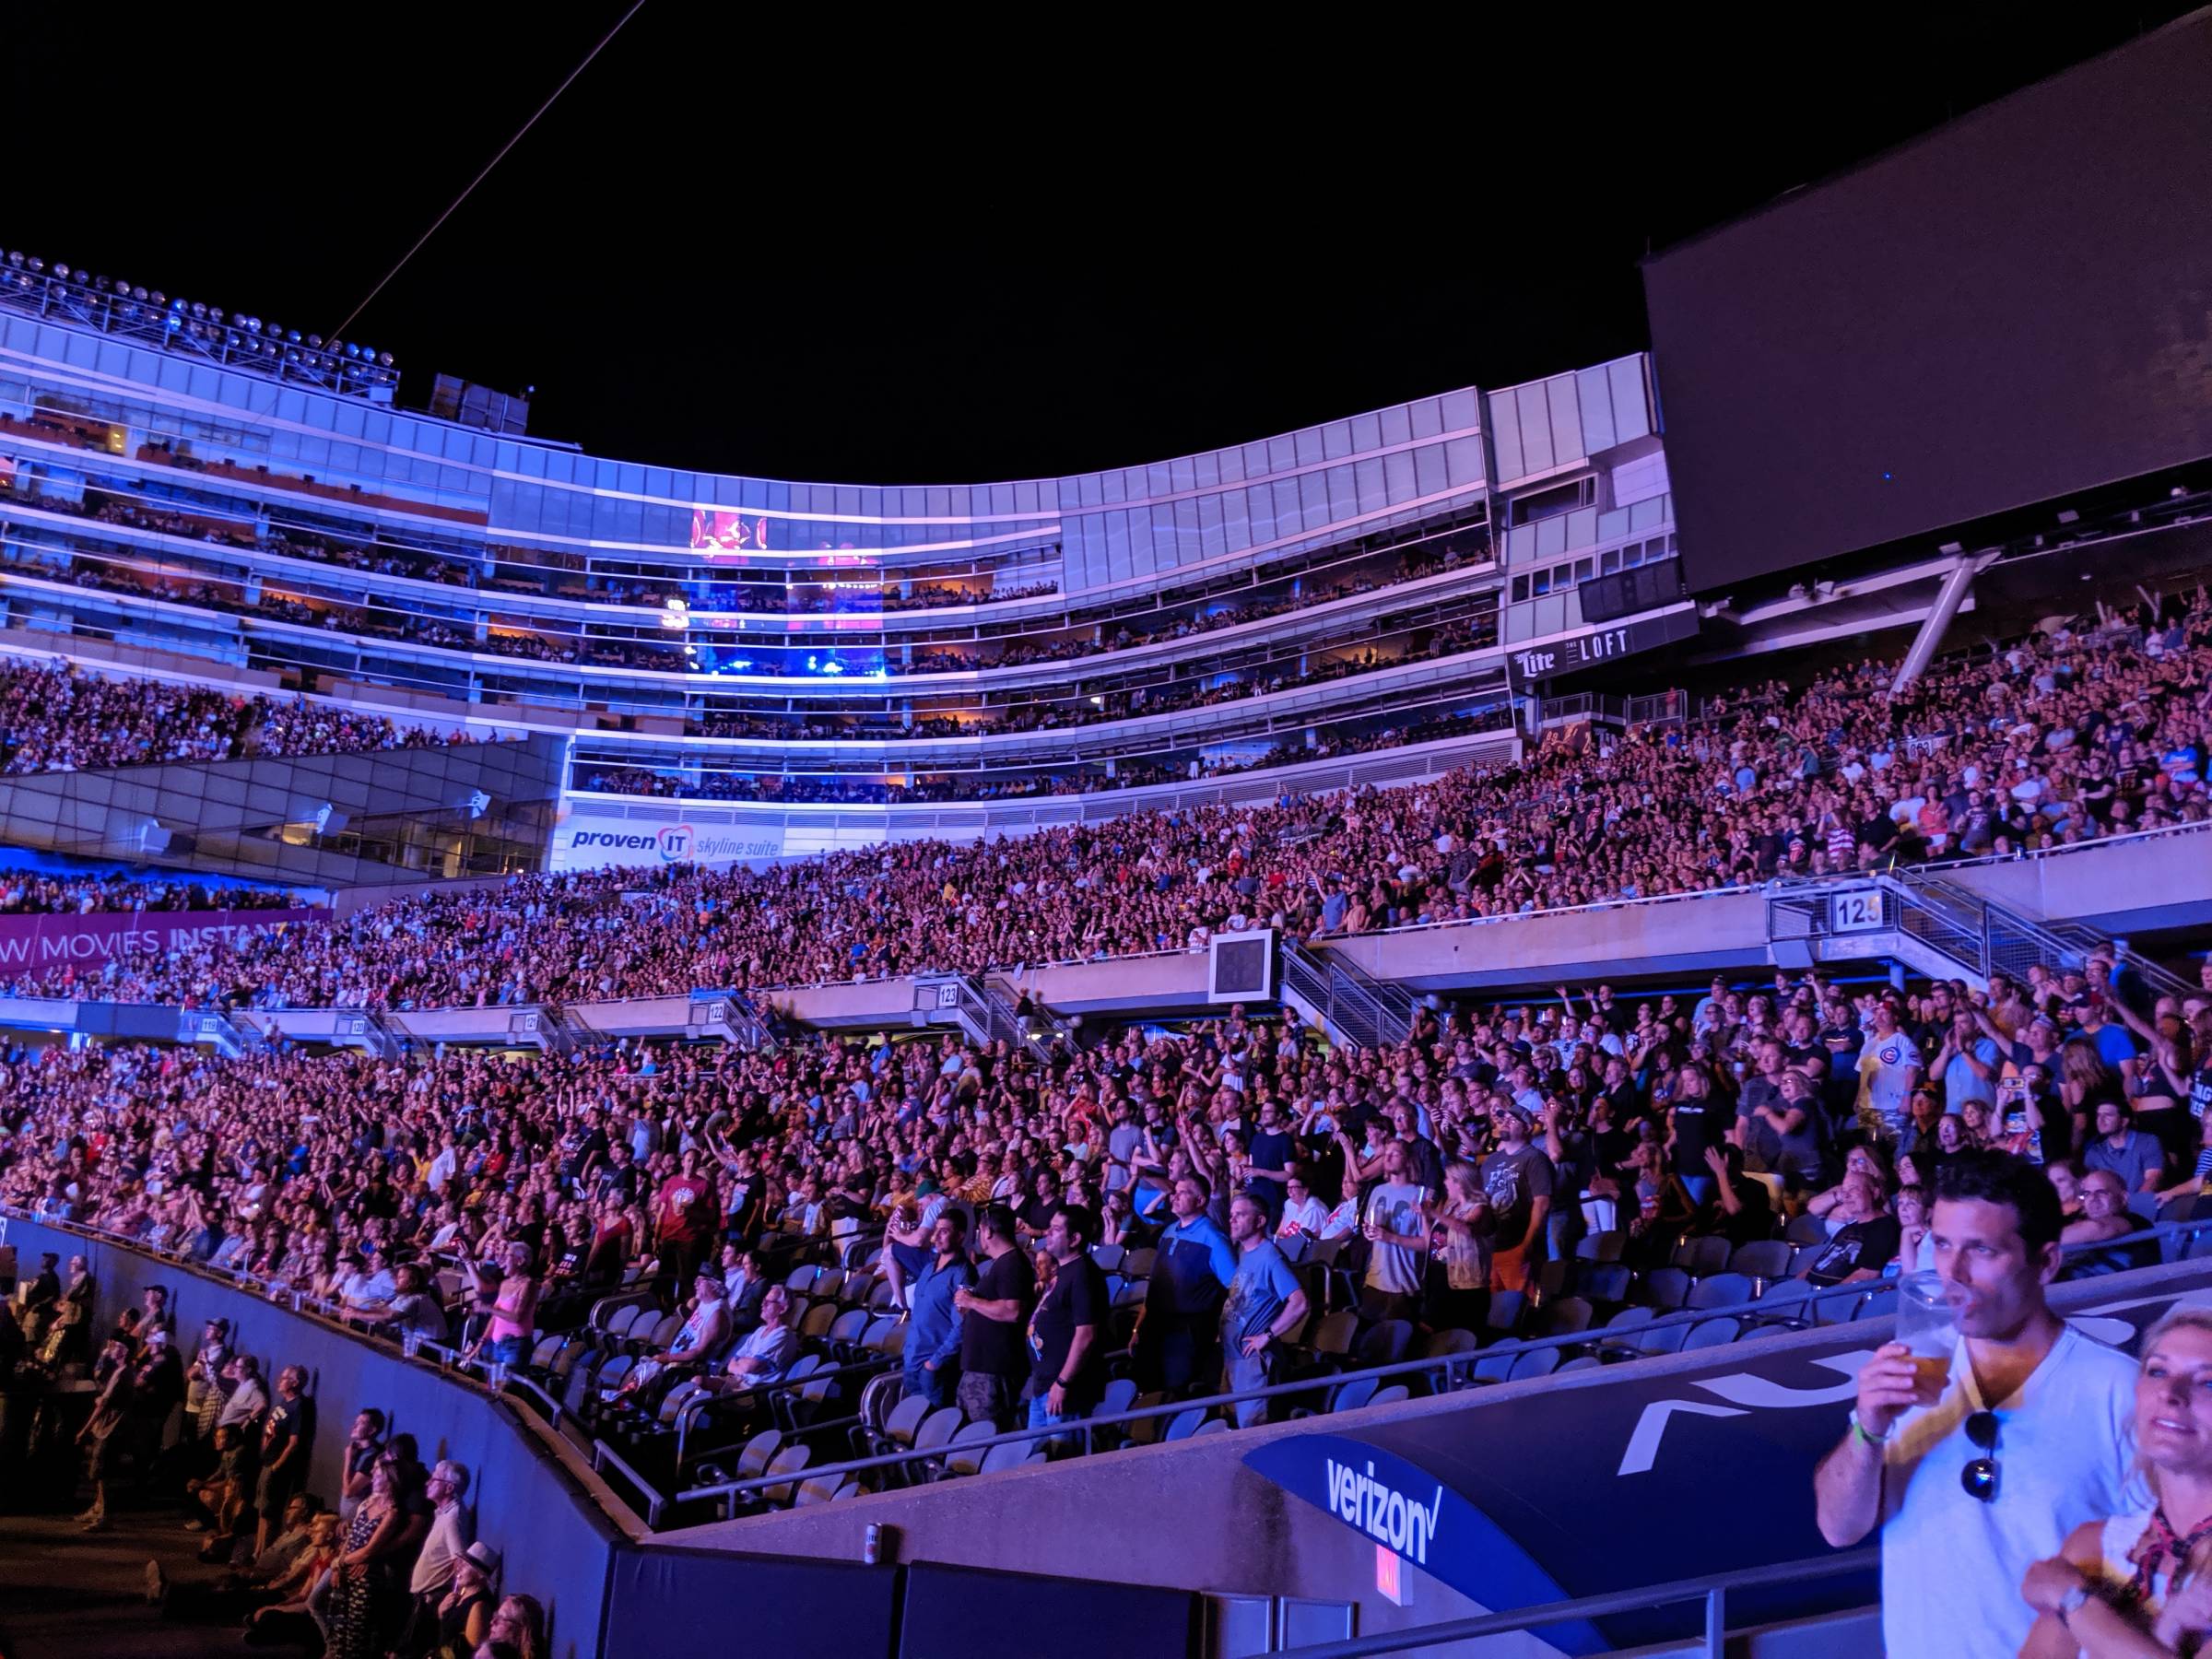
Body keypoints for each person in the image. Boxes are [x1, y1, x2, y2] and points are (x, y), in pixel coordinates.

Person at [1813, 1147, 2136, 1659]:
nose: (1952, 1273)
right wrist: (1868, 1428)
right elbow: (1837, 1528)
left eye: (1982, 1251)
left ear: (2046, 1262)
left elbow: (2165, 1578)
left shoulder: (2120, 1392)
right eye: (1941, 1244)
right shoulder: (1908, 1369)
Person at [2018, 1304, 2212, 1655]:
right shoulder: (2091, 1546)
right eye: (2157, 1372)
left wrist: (2073, 1599)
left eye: (2207, 1382)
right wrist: (2166, 1631)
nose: (2170, 1392)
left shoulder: (2068, 1578)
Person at [1134, 1172, 1237, 1392]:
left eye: (1183, 1193)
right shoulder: (1169, 1231)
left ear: (1200, 1201)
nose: (1174, 1197)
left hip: (1187, 1333)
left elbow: (1235, 1289)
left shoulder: (1214, 1238)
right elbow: (1155, 1284)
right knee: (1148, 1388)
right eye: (1175, 1192)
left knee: (1175, 1392)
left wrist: (1223, 1333)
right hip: (1154, 1326)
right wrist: (1137, 1328)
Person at [1221, 1193, 1309, 1428]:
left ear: (1259, 1221)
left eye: (1240, 1215)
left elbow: (1299, 1302)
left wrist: (1267, 1335)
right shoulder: (1244, 1252)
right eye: (1231, 1215)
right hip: (1234, 1358)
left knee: (1253, 1430)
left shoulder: (1270, 1257)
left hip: (1253, 1364)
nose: (1233, 1220)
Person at [1024, 1204, 1109, 1441]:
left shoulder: (1083, 1273)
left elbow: (1086, 1334)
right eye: (1049, 1228)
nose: (1048, 1233)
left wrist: (1063, 1382)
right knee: (1036, 1462)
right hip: (1044, 1386)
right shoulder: (1063, 1271)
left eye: (1056, 1229)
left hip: (1066, 1391)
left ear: (1074, 1238)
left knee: (1060, 1463)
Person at [953, 1204, 1036, 1429]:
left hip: (994, 1369)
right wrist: (971, 1306)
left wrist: (972, 1301)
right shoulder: (1001, 1264)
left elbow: (1012, 1311)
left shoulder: (1012, 1264)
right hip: (981, 1366)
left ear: (988, 1231)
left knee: (987, 1433)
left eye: (980, 1230)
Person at [1479, 1104, 1555, 1294]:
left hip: (1517, 1245)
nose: (1505, 1122)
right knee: (1494, 1311)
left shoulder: (1534, 1158)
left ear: (1527, 1128)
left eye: (1513, 1120)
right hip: (1492, 1247)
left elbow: (1541, 1204)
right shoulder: (1491, 1161)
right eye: (1504, 1118)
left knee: (1520, 1307)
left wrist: (1526, 1245)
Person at [902, 1208, 973, 1409]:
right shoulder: (927, 1268)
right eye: (936, 1230)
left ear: (959, 1236)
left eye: (944, 1231)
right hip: (912, 1362)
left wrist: (934, 1363)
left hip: (934, 1371)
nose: (936, 1236)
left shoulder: (963, 1274)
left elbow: (961, 1327)